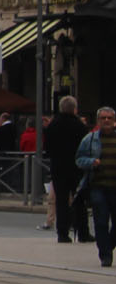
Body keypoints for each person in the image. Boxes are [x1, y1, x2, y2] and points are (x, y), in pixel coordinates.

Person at [72, 104, 116, 267]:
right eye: (103, 118)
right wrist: (92, 162)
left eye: (109, 118)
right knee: (101, 221)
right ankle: (105, 255)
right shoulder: (90, 139)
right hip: (98, 187)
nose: (106, 121)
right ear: (98, 120)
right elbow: (79, 159)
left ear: (114, 121)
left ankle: (108, 246)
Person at [46, 96, 92, 245]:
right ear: (74, 109)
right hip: (76, 168)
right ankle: (83, 232)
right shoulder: (79, 125)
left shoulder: (53, 124)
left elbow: (47, 147)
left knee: (61, 201)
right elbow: (86, 146)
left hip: (58, 167)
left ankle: (63, 233)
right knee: (79, 200)